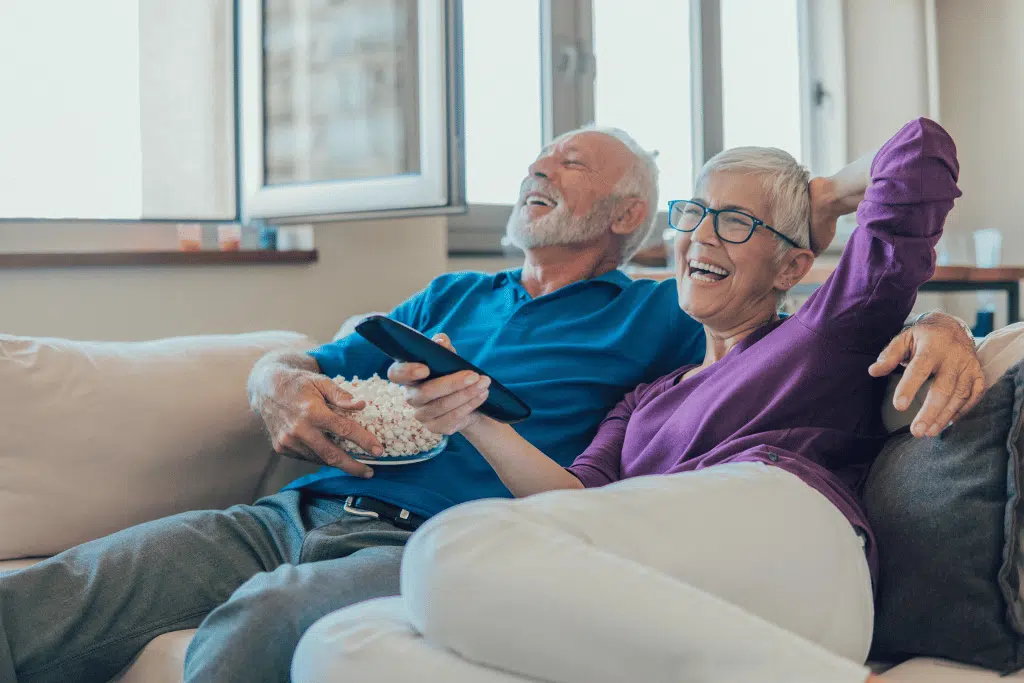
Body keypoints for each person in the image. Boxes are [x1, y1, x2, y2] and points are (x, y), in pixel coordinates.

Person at [0, 125, 978, 683]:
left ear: (626, 215)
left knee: (277, 619)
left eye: (569, 162)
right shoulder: (505, 326)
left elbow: (875, 229)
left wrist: (934, 318)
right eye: (696, 216)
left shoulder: (672, 318)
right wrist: (286, 382)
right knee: (67, 591)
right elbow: (575, 493)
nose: (537, 169)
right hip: (300, 510)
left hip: (426, 540)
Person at [290, 118, 968, 683]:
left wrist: (825, 196)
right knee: (339, 648)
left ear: (791, 266)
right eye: (696, 214)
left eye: (736, 222)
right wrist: (471, 417)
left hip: (793, 542)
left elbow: (919, 153)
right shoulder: (644, 401)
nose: (703, 235)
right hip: (678, 595)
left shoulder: (822, 334)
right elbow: (570, 501)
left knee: (447, 548)